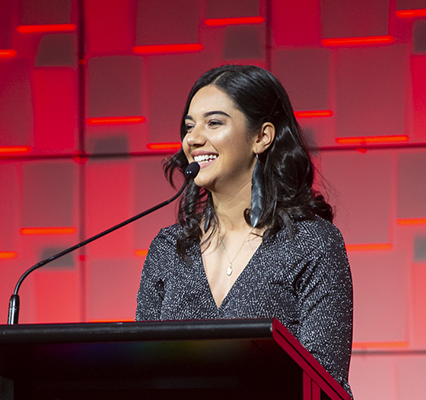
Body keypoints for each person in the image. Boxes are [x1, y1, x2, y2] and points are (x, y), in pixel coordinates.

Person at [135, 64, 353, 396]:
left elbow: (323, 383)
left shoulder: (311, 242)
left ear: (261, 137)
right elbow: (140, 375)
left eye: (214, 123)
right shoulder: (168, 249)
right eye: (189, 126)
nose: (193, 139)